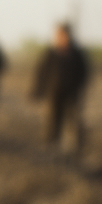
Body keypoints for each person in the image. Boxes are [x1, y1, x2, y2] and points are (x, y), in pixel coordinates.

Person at [32, 22, 90, 153]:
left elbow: (84, 73)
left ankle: (77, 147)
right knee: (52, 119)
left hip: (72, 93)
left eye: (65, 34)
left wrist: (80, 87)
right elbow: (42, 73)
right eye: (59, 35)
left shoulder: (77, 54)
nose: (62, 37)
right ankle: (51, 145)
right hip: (54, 93)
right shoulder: (50, 54)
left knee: (74, 120)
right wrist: (37, 90)